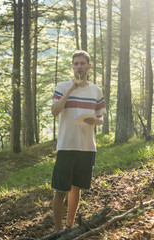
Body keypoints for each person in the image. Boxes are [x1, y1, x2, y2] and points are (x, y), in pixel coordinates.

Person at [51, 50, 106, 231]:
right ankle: (59, 232)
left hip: (86, 147)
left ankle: (70, 226)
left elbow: (100, 119)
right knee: (61, 190)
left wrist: (95, 121)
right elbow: (55, 110)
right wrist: (70, 90)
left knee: (77, 188)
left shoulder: (96, 90)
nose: (79, 66)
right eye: (76, 63)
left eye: (82, 63)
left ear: (88, 66)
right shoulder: (61, 86)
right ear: (72, 66)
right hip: (67, 145)